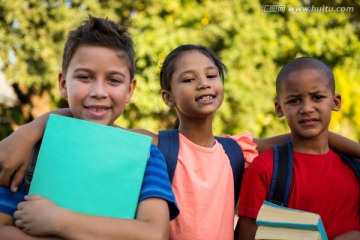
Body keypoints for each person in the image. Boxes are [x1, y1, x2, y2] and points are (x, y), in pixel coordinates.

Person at [1, 46, 360, 239]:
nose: (202, 84)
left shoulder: (238, 150)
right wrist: (33, 127)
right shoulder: (155, 145)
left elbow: (308, 134)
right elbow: (94, 126)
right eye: (188, 79)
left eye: (210, 75)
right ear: (168, 97)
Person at [0, 15, 179, 240]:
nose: (99, 92)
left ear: (130, 90)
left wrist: (58, 220)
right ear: (64, 84)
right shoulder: (29, 150)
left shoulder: (146, 156)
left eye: (113, 80)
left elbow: (154, 234)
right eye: (85, 77)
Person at [237, 57, 360, 240]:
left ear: (336, 102)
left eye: (317, 97)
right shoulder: (265, 168)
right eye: (295, 101)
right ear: (279, 108)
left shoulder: (355, 166)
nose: (307, 108)